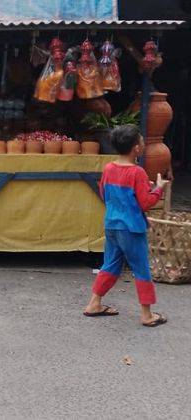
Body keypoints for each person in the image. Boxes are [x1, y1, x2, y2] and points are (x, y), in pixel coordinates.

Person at [83, 124, 169, 327]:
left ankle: (94, 304)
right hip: (131, 228)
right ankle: (147, 314)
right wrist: (158, 188)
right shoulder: (137, 172)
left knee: (110, 265)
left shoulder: (109, 168)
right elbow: (146, 203)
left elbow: (105, 194)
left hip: (112, 224)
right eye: (140, 141)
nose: (142, 144)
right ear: (136, 148)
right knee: (141, 269)